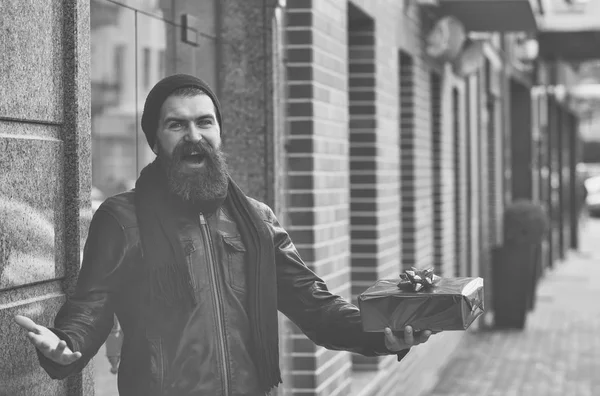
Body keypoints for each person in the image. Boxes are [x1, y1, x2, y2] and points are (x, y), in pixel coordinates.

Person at [15, 74, 434, 396]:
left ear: (219, 133)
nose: (193, 136)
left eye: (204, 122)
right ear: (155, 141)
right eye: (176, 125)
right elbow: (93, 305)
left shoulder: (256, 219)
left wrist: (380, 333)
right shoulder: (123, 219)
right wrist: (66, 344)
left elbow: (315, 307)